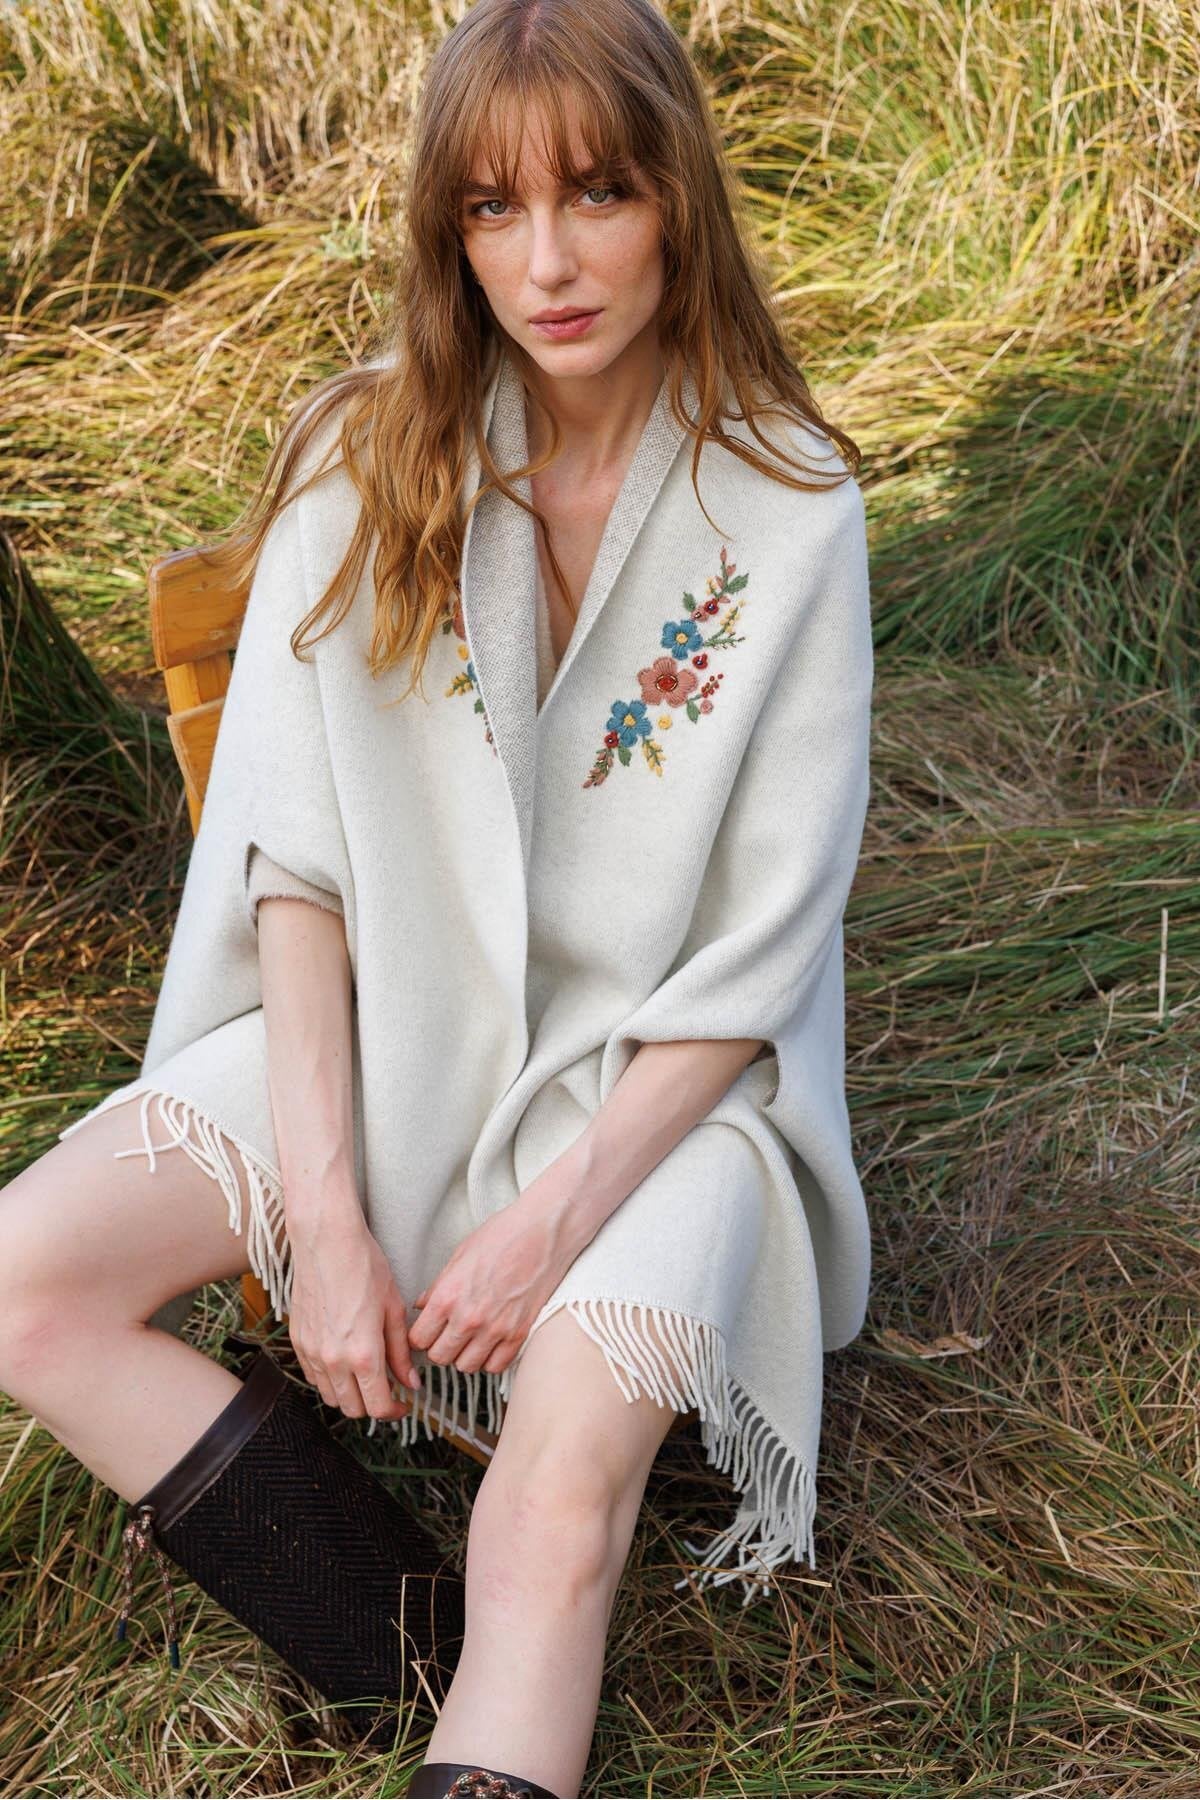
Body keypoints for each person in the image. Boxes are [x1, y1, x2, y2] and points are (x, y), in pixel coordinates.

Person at [0, 0, 874, 1794]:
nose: (547, 263)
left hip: (662, 1099)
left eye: (599, 195)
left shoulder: (792, 512)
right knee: (25, 1285)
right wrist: (324, 1220)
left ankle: (494, 1651)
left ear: (679, 201)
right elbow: (301, 872)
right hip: (391, 1020)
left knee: (551, 1508)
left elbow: (757, 962)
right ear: (447, 231)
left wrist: (550, 1227)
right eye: (493, 208)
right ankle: (400, 1640)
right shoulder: (370, 454)